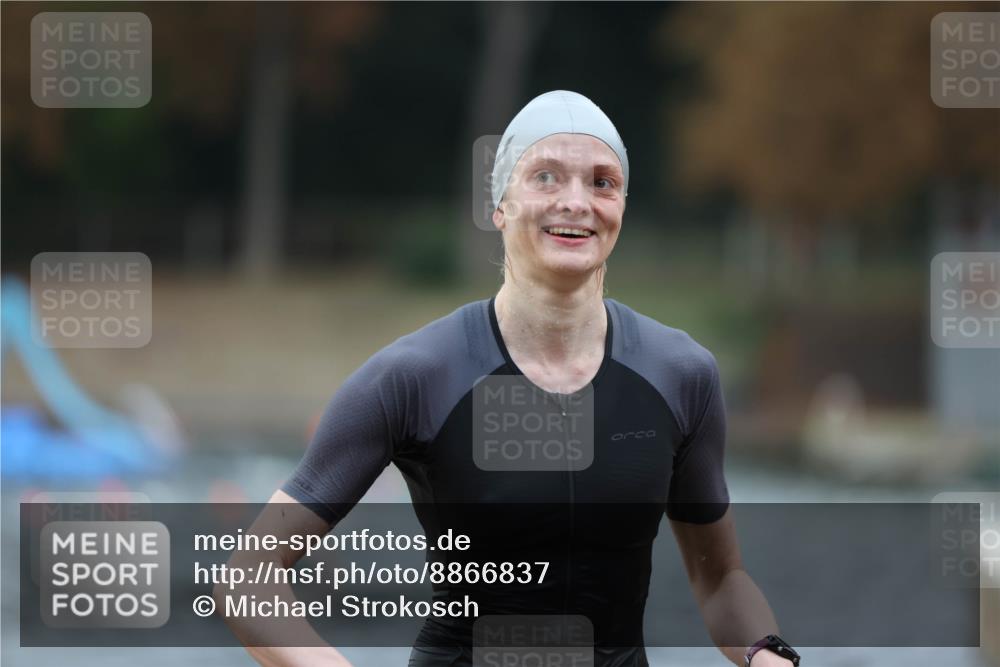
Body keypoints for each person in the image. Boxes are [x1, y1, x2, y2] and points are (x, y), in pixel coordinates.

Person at [216, 90, 801, 667]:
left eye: (602, 182)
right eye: (546, 177)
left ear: (621, 206)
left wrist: (767, 655)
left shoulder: (680, 374)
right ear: (500, 205)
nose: (577, 201)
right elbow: (247, 581)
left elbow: (721, 580)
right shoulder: (414, 376)